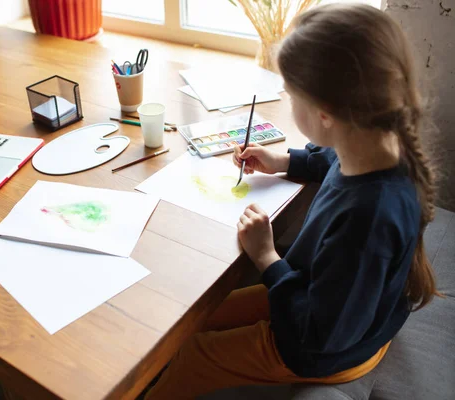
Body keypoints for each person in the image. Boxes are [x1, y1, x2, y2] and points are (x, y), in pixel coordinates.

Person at [145, 4, 440, 399]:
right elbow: (331, 159)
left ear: (326, 114)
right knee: (193, 318)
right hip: (329, 301)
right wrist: (284, 161)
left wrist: (266, 257)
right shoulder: (377, 142)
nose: (286, 100)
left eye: (290, 95)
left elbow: (321, 334)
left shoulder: (368, 217)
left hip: (326, 347)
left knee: (193, 354)